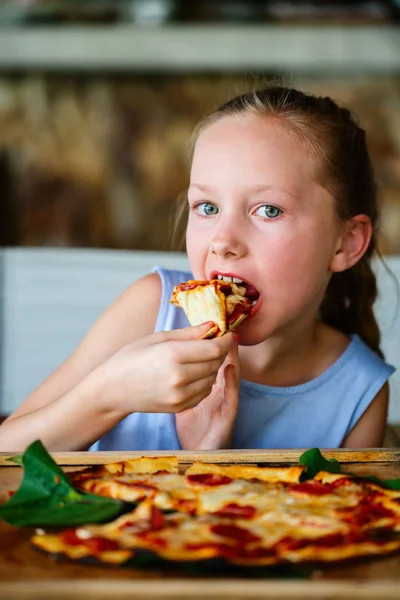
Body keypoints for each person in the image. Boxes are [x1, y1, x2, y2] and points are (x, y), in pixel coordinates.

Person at [0, 86, 394, 452]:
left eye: (268, 210)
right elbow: (6, 454)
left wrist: (206, 458)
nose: (223, 241)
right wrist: (109, 394)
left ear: (345, 243)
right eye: (207, 208)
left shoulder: (359, 393)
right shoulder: (151, 311)